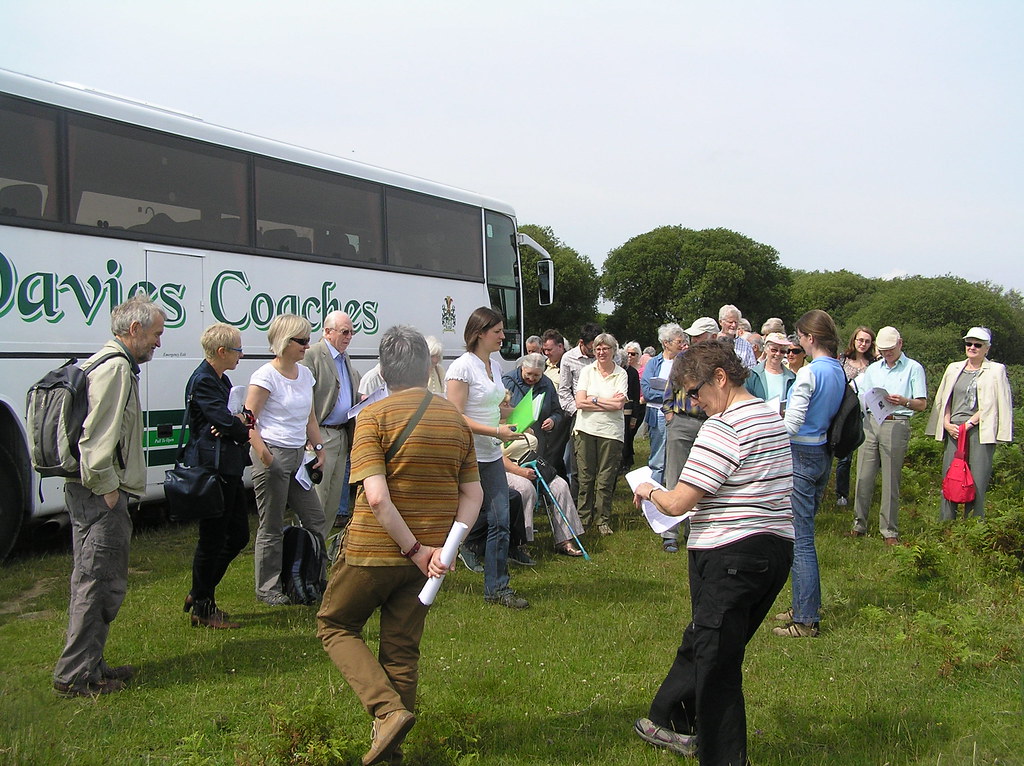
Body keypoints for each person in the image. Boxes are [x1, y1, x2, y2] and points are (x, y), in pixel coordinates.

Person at [317, 325, 482, 766]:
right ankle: (392, 748)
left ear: (384, 370)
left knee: (334, 624)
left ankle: (387, 713)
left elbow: (375, 497)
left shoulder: (372, 416)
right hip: (427, 559)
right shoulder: (454, 419)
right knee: (402, 650)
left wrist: (412, 549)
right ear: (427, 366)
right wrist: (440, 553)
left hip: (374, 551)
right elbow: (474, 496)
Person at [632, 340, 794, 765]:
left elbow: (678, 503)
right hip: (773, 552)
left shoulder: (723, 427)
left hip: (730, 555)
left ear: (720, 378)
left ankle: (721, 757)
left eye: (697, 391)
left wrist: (647, 489)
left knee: (718, 664)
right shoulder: (768, 415)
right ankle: (668, 720)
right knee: (707, 641)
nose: (695, 402)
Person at [53, 295, 166, 697]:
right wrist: (108, 490)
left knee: (95, 579)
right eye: (155, 334)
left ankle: (91, 662)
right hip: (100, 496)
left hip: (93, 493)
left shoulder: (104, 362)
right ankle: (76, 676)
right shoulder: (116, 368)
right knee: (98, 582)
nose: (158, 342)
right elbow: (97, 436)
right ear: (133, 330)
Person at [446, 307, 528, 609]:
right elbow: (456, 417)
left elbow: (497, 406)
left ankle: (497, 588)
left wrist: (522, 415)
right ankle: (426, 572)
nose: (503, 336)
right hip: (467, 455)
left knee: (501, 520)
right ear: (480, 333)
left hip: (492, 454)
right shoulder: (461, 368)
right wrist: (496, 429)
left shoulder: (492, 364)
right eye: (498, 332)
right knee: (451, 521)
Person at [772, 310, 846, 639]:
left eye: (799, 337)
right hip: (822, 454)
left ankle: (805, 619)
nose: (797, 343)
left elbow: (792, 423)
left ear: (810, 339)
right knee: (802, 534)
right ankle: (803, 602)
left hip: (801, 454)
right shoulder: (838, 371)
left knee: (801, 541)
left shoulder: (809, 373)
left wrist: (768, 429)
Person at [246, 314, 327, 605]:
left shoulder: (305, 374)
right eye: (302, 341)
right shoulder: (265, 377)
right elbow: (248, 421)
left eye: (308, 340)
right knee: (271, 524)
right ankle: (268, 588)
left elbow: (311, 416)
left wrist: (318, 447)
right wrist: (266, 456)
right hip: (274, 454)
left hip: (298, 455)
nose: (307, 346)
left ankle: (315, 575)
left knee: (315, 518)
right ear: (285, 342)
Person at [181, 323, 252, 629]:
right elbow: (231, 423)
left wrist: (238, 421)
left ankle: (199, 591)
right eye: (237, 349)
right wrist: (235, 422)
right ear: (221, 351)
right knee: (212, 539)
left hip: (229, 468)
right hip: (213, 469)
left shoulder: (222, 380)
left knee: (238, 535)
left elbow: (242, 418)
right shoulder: (204, 381)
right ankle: (203, 605)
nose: (241, 354)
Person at [849, 326, 927, 544]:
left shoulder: (913, 368)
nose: (887, 354)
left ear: (900, 344)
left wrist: (904, 401)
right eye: (883, 350)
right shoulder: (874, 369)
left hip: (896, 422)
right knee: (863, 475)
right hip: (872, 421)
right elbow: (866, 395)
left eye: (890, 349)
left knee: (891, 478)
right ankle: (858, 523)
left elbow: (922, 404)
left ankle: (889, 529)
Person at [927, 327, 1013, 519]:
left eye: (977, 344)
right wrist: (946, 423)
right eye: (969, 343)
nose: (972, 348)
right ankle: (946, 524)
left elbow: (997, 402)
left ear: (986, 349)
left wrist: (971, 423)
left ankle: (974, 526)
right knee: (950, 476)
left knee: (977, 478)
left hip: (980, 430)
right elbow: (944, 398)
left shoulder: (996, 370)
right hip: (954, 430)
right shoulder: (954, 368)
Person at [303, 311, 362, 538]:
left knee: (333, 501)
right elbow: (306, 398)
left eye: (351, 332)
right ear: (327, 332)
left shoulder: (344, 357)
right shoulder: (314, 355)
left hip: (340, 435)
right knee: (317, 498)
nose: (349, 337)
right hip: (321, 434)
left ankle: (319, 551)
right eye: (345, 332)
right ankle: (306, 552)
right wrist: (310, 438)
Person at [574, 333, 628, 535]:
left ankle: (602, 519)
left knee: (606, 478)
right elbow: (580, 402)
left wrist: (594, 400)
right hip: (586, 429)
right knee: (585, 477)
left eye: (605, 348)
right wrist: (607, 402)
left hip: (611, 432)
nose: (601, 352)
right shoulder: (587, 371)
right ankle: (583, 518)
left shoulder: (621, 374)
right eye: (597, 348)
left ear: (613, 350)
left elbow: (619, 404)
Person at [502, 434, 584, 556]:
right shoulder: (493, 425)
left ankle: (565, 540)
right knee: (526, 489)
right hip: (508, 470)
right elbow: (496, 455)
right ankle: (520, 543)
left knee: (560, 485)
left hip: (531, 465)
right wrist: (518, 470)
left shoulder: (522, 419)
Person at [832, 327, 877, 506]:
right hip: (846, 411)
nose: (863, 344)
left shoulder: (875, 363)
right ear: (854, 340)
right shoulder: (843, 360)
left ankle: (864, 492)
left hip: (868, 411)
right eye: (860, 340)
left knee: (868, 455)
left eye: (867, 341)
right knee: (845, 454)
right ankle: (841, 494)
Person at [640, 323, 688, 485]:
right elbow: (647, 391)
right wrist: (670, 394)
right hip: (658, 416)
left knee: (677, 459)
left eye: (682, 341)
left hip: (679, 417)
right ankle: (653, 501)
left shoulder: (685, 363)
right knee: (658, 461)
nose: (682, 345)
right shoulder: (654, 363)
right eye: (678, 342)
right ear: (666, 343)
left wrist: (666, 393)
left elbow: (687, 392)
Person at [558, 322, 602, 493]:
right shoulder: (569, 358)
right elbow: (564, 391)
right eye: (592, 349)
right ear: (581, 343)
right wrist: (576, 411)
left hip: (603, 414)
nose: (596, 353)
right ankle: (578, 503)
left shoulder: (608, 355)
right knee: (577, 463)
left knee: (601, 463)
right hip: (580, 415)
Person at [744, 331, 796, 408]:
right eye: (774, 350)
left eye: (782, 351)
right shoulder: (752, 375)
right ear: (766, 349)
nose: (778, 354)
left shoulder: (792, 378)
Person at [619, 344, 646, 471]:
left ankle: (627, 460)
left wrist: (634, 417)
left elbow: (635, 396)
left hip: (630, 410)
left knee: (628, 435)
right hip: (617, 410)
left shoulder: (633, 373)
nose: (630, 356)